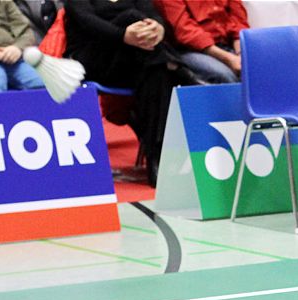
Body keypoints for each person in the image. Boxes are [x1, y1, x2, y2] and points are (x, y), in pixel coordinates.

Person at [63, 0, 202, 187]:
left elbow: (152, 14)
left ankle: (156, 155)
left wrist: (158, 27)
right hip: (93, 56)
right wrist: (123, 35)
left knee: (156, 73)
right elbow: (88, 22)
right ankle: (176, 67)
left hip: (133, 58)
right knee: (131, 18)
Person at [154, 0, 248, 84]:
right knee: (224, 75)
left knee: (256, 68)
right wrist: (229, 59)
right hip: (189, 50)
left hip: (228, 44)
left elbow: (238, 20)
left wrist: (240, 53)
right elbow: (185, 31)